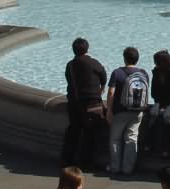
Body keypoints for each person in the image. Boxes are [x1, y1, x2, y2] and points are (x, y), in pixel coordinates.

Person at [62, 37, 108, 171]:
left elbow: (68, 80)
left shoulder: (70, 65)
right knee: (90, 134)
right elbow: (103, 77)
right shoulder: (94, 62)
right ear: (87, 49)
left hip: (75, 102)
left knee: (73, 132)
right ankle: (86, 163)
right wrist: (100, 89)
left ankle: (67, 160)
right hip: (92, 103)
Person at [107, 45, 152, 175]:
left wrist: (109, 109)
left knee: (115, 139)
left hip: (120, 111)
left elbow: (111, 92)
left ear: (124, 58)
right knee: (131, 139)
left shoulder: (117, 72)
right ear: (137, 59)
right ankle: (128, 169)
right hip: (138, 111)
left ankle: (115, 167)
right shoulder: (144, 73)